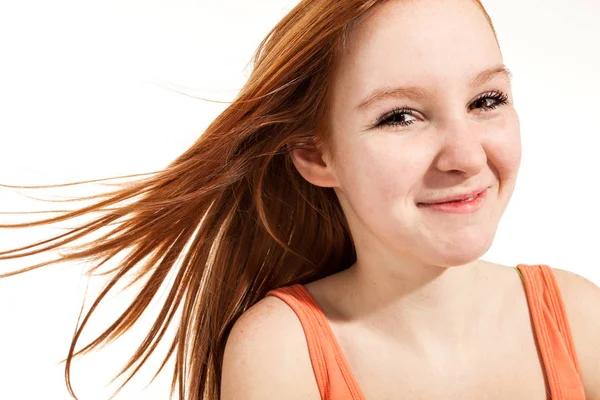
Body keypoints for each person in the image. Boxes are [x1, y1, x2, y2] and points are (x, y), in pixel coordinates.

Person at [1, 0, 599, 399]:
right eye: (400, 116)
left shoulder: (579, 316)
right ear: (316, 155)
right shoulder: (285, 354)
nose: (465, 156)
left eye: (487, 101)